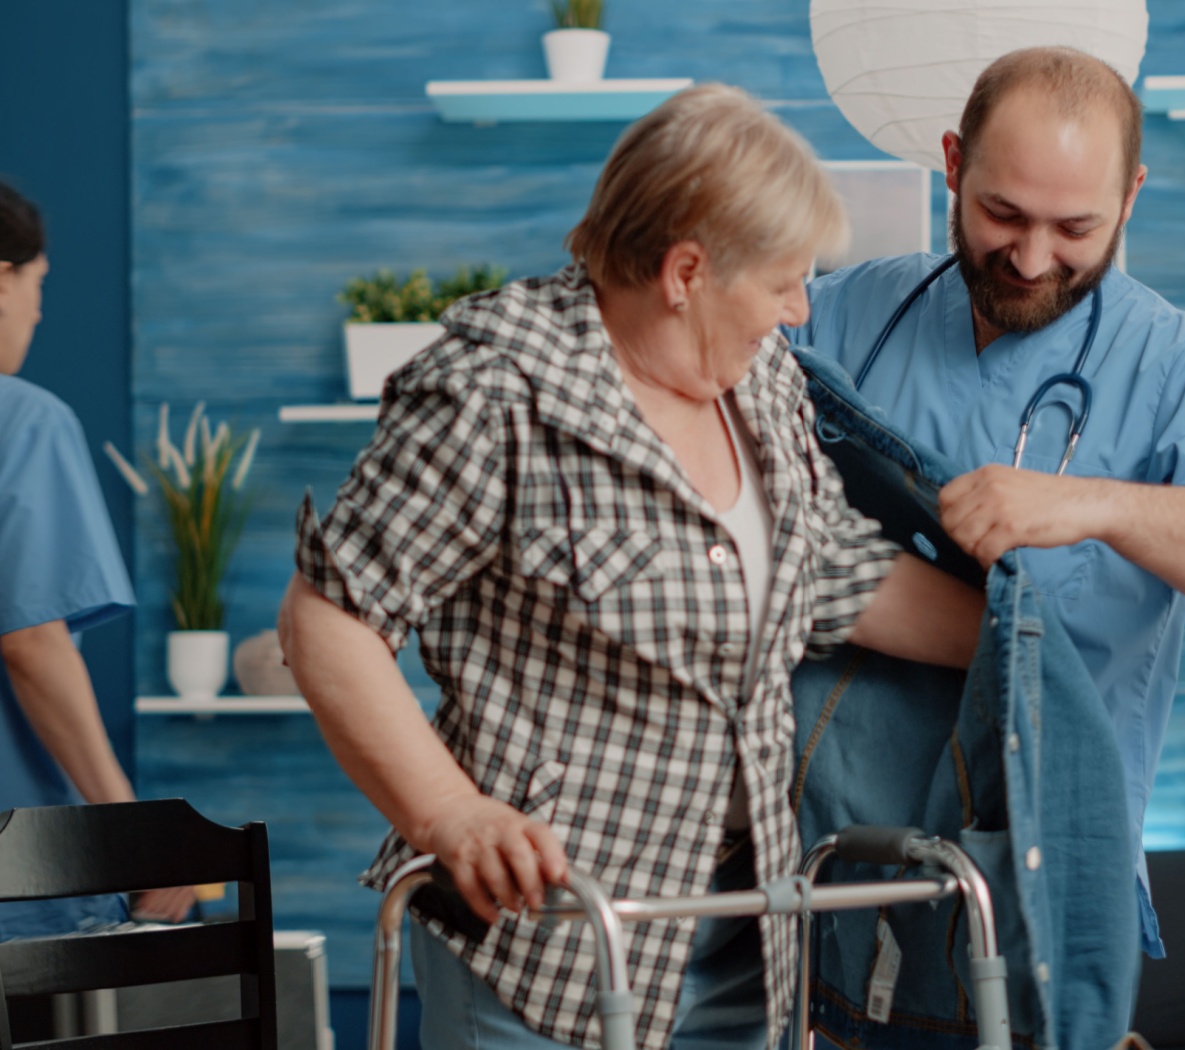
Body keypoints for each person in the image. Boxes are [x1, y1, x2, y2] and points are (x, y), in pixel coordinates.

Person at [277, 84, 984, 1050]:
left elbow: (828, 576)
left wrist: (1017, 644)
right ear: (686, 270)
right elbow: (330, 620)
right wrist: (450, 814)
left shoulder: (761, 380)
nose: (799, 308)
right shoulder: (497, 387)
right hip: (552, 940)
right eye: (782, 280)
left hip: (747, 930)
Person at [784, 47, 1185, 957]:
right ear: (953, 164)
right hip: (827, 858)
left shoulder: (1173, 363)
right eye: (1001, 214)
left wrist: (1098, 507)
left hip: (1038, 868)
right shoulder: (843, 315)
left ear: (1131, 197)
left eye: (1075, 227)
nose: (1032, 258)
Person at [0, 179, 195, 939]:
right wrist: (130, 834)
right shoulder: (21, 420)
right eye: (37, 284)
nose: (41, 311)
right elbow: (30, 643)